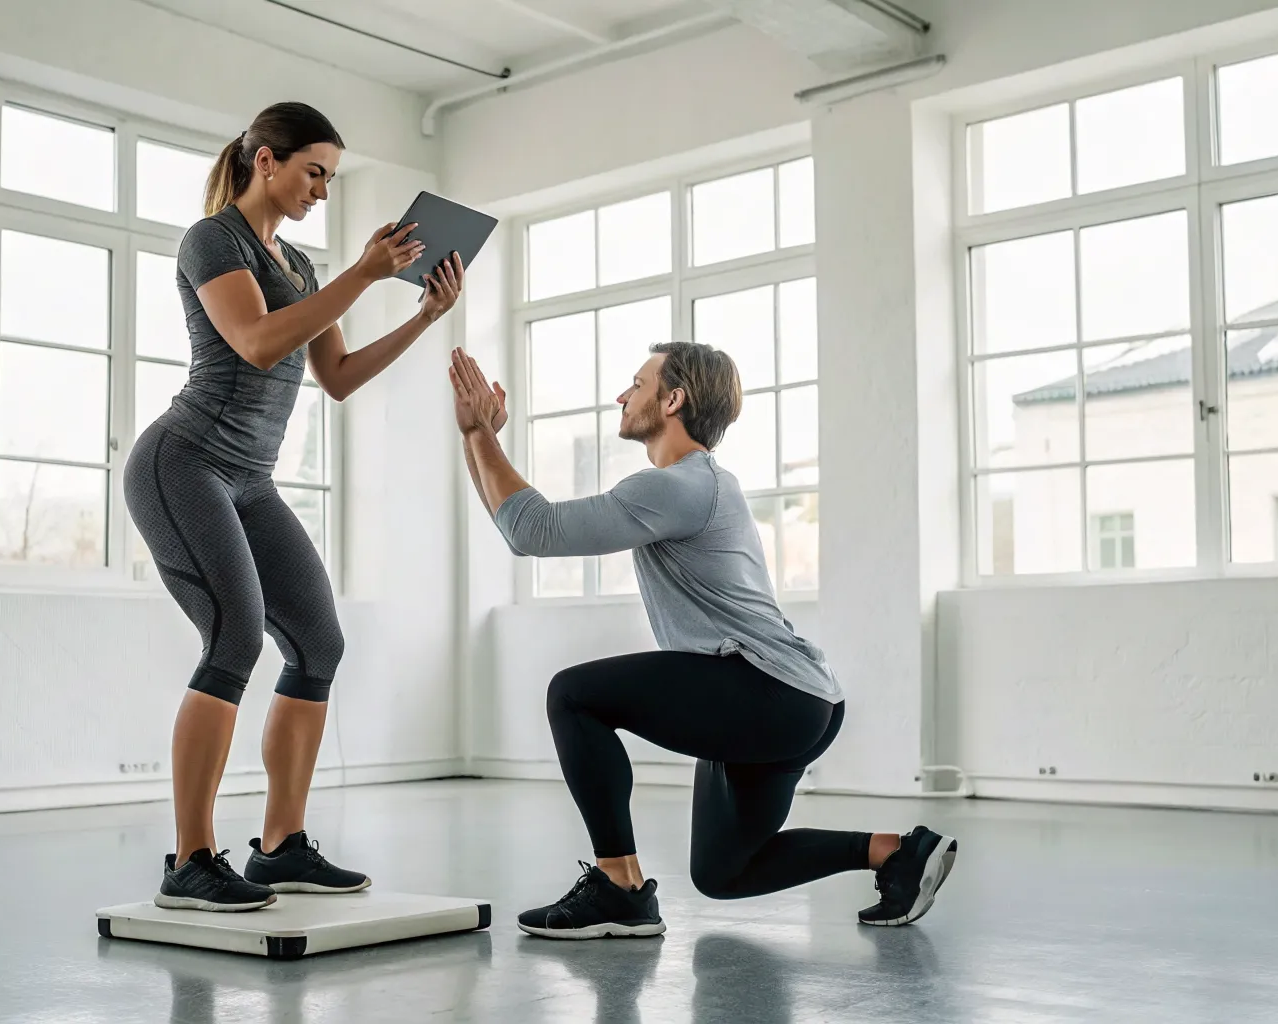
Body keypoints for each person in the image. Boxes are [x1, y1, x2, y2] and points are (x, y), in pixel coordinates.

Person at [446, 341, 958, 939]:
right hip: (800, 700)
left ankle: (619, 886)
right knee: (724, 871)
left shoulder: (678, 486)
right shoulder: (691, 485)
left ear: (673, 399)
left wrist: (481, 433)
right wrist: (473, 435)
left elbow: (533, 530)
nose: (621, 395)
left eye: (636, 384)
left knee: (572, 694)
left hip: (767, 691)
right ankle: (896, 854)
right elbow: (519, 531)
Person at [125, 101, 464, 912]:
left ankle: (279, 847)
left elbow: (338, 378)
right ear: (265, 161)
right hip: (185, 463)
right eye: (314, 172)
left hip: (253, 479)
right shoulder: (213, 240)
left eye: (331, 178)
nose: (322, 189)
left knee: (318, 641)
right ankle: (190, 859)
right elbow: (256, 342)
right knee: (236, 636)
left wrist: (422, 315)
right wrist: (368, 274)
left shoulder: (305, 266)